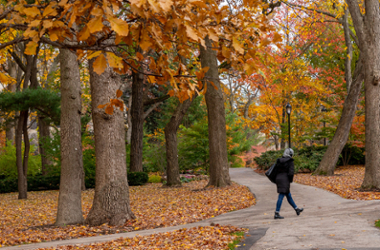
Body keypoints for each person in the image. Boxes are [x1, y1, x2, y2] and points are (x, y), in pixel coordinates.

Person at [274, 148, 304, 219]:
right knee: (281, 195)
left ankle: (297, 209)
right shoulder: (290, 162)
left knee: (288, 195)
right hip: (285, 179)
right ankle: (276, 213)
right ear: (290, 154)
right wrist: (290, 180)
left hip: (278, 178)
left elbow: (275, 170)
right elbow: (291, 173)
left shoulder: (279, 161)